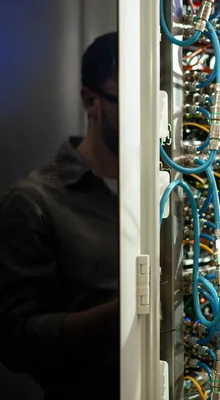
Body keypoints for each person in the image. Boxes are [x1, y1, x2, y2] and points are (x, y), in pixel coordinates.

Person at [0, 32, 120, 400]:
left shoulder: (172, 194)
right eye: (137, 101)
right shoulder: (35, 201)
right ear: (91, 101)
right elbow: (15, 341)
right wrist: (129, 309)